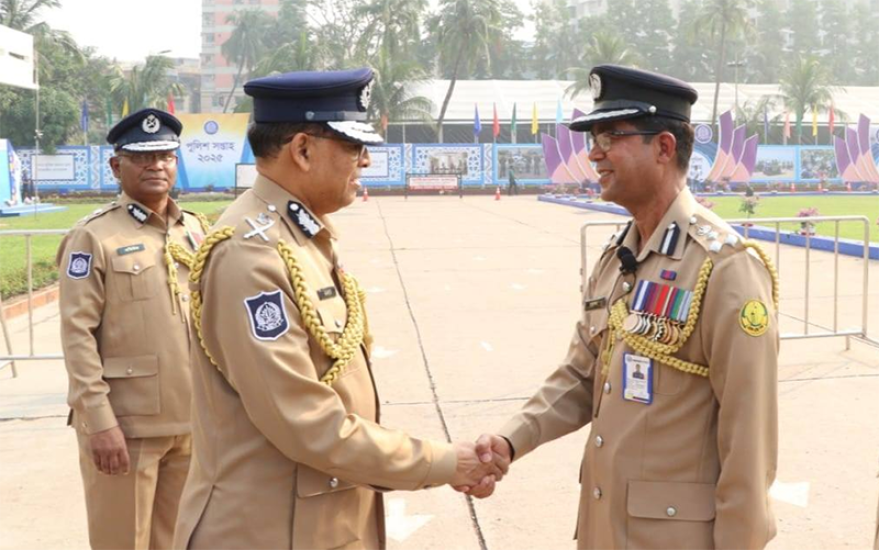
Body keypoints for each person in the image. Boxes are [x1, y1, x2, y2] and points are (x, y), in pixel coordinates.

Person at [173, 68, 505, 550]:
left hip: (316, 520)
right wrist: (447, 462)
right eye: (353, 146)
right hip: (267, 531)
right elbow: (304, 421)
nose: (365, 160)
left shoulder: (299, 236)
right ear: (303, 150)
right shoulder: (250, 256)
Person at [468, 65, 780, 549]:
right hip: (605, 528)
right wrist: (511, 439)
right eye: (594, 138)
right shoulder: (618, 256)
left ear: (664, 147)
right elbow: (581, 374)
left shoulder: (725, 268)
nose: (594, 152)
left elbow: (749, 436)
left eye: (611, 136)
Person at [57, 108, 209, 549]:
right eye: (142, 157)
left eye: (165, 156)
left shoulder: (195, 230)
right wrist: (99, 421)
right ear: (115, 166)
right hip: (126, 427)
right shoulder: (94, 237)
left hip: (191, 421)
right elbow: (77, 336)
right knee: (123, 541)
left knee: (181, 540)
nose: (155, 166)